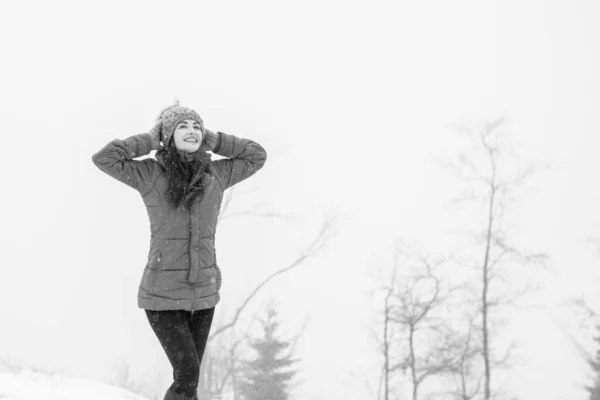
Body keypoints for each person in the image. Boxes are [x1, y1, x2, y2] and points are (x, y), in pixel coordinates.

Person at [92, 101, 267, 400]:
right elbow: (105, 158)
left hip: (204, 293)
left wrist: (215, 139)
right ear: (167, 134)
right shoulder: (149, 174)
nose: (192, 131)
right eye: (182, 126)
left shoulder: (216, 174)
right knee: (187, 374)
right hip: (162, 295)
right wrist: (150, 138)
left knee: (190, 380)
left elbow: (256, 156)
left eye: (197, 126)